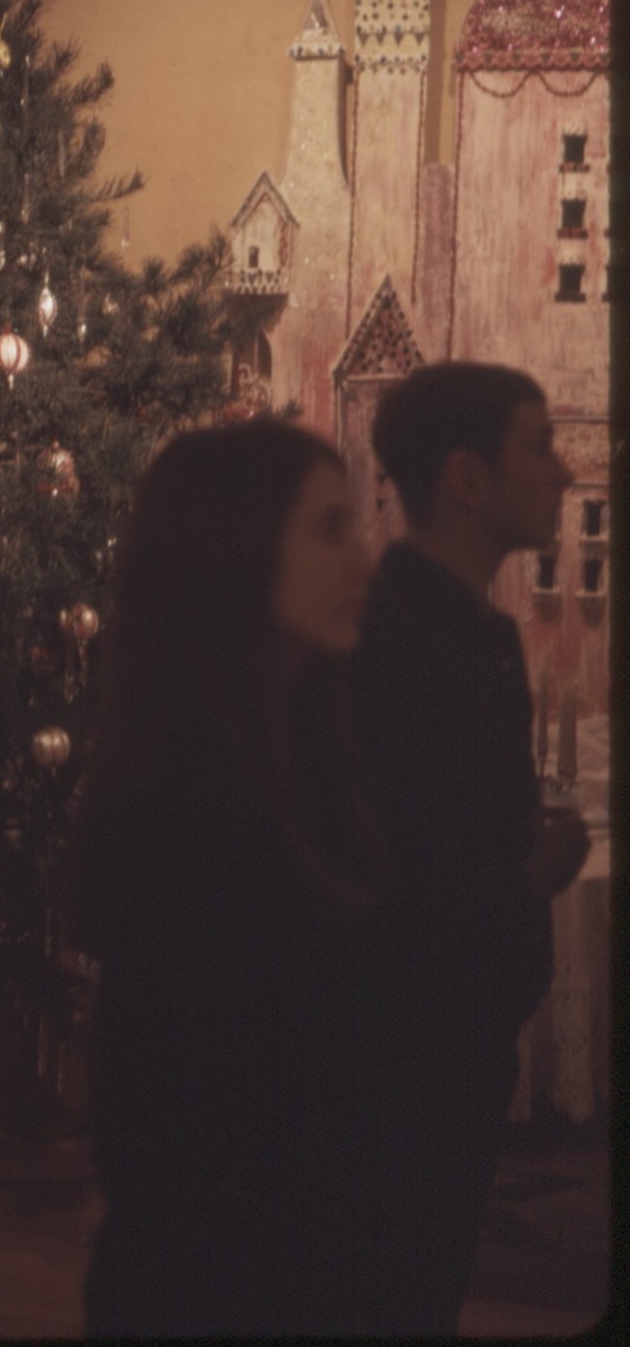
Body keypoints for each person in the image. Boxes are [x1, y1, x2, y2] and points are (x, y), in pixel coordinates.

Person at [68, 418, 387, 1337]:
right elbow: (186, 1131)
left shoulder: (304, 760)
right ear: (232, 550)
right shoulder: (186, 801)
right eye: (329, 529)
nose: (364, 561)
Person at [353, 361, 592, 1335]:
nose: (565, 471)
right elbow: (401, 877)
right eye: (540, 445)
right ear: (466, 478)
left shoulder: (479, 632)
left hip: (459, 1046)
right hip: (404, 1059)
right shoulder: (399, 637)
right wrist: (532, 874)